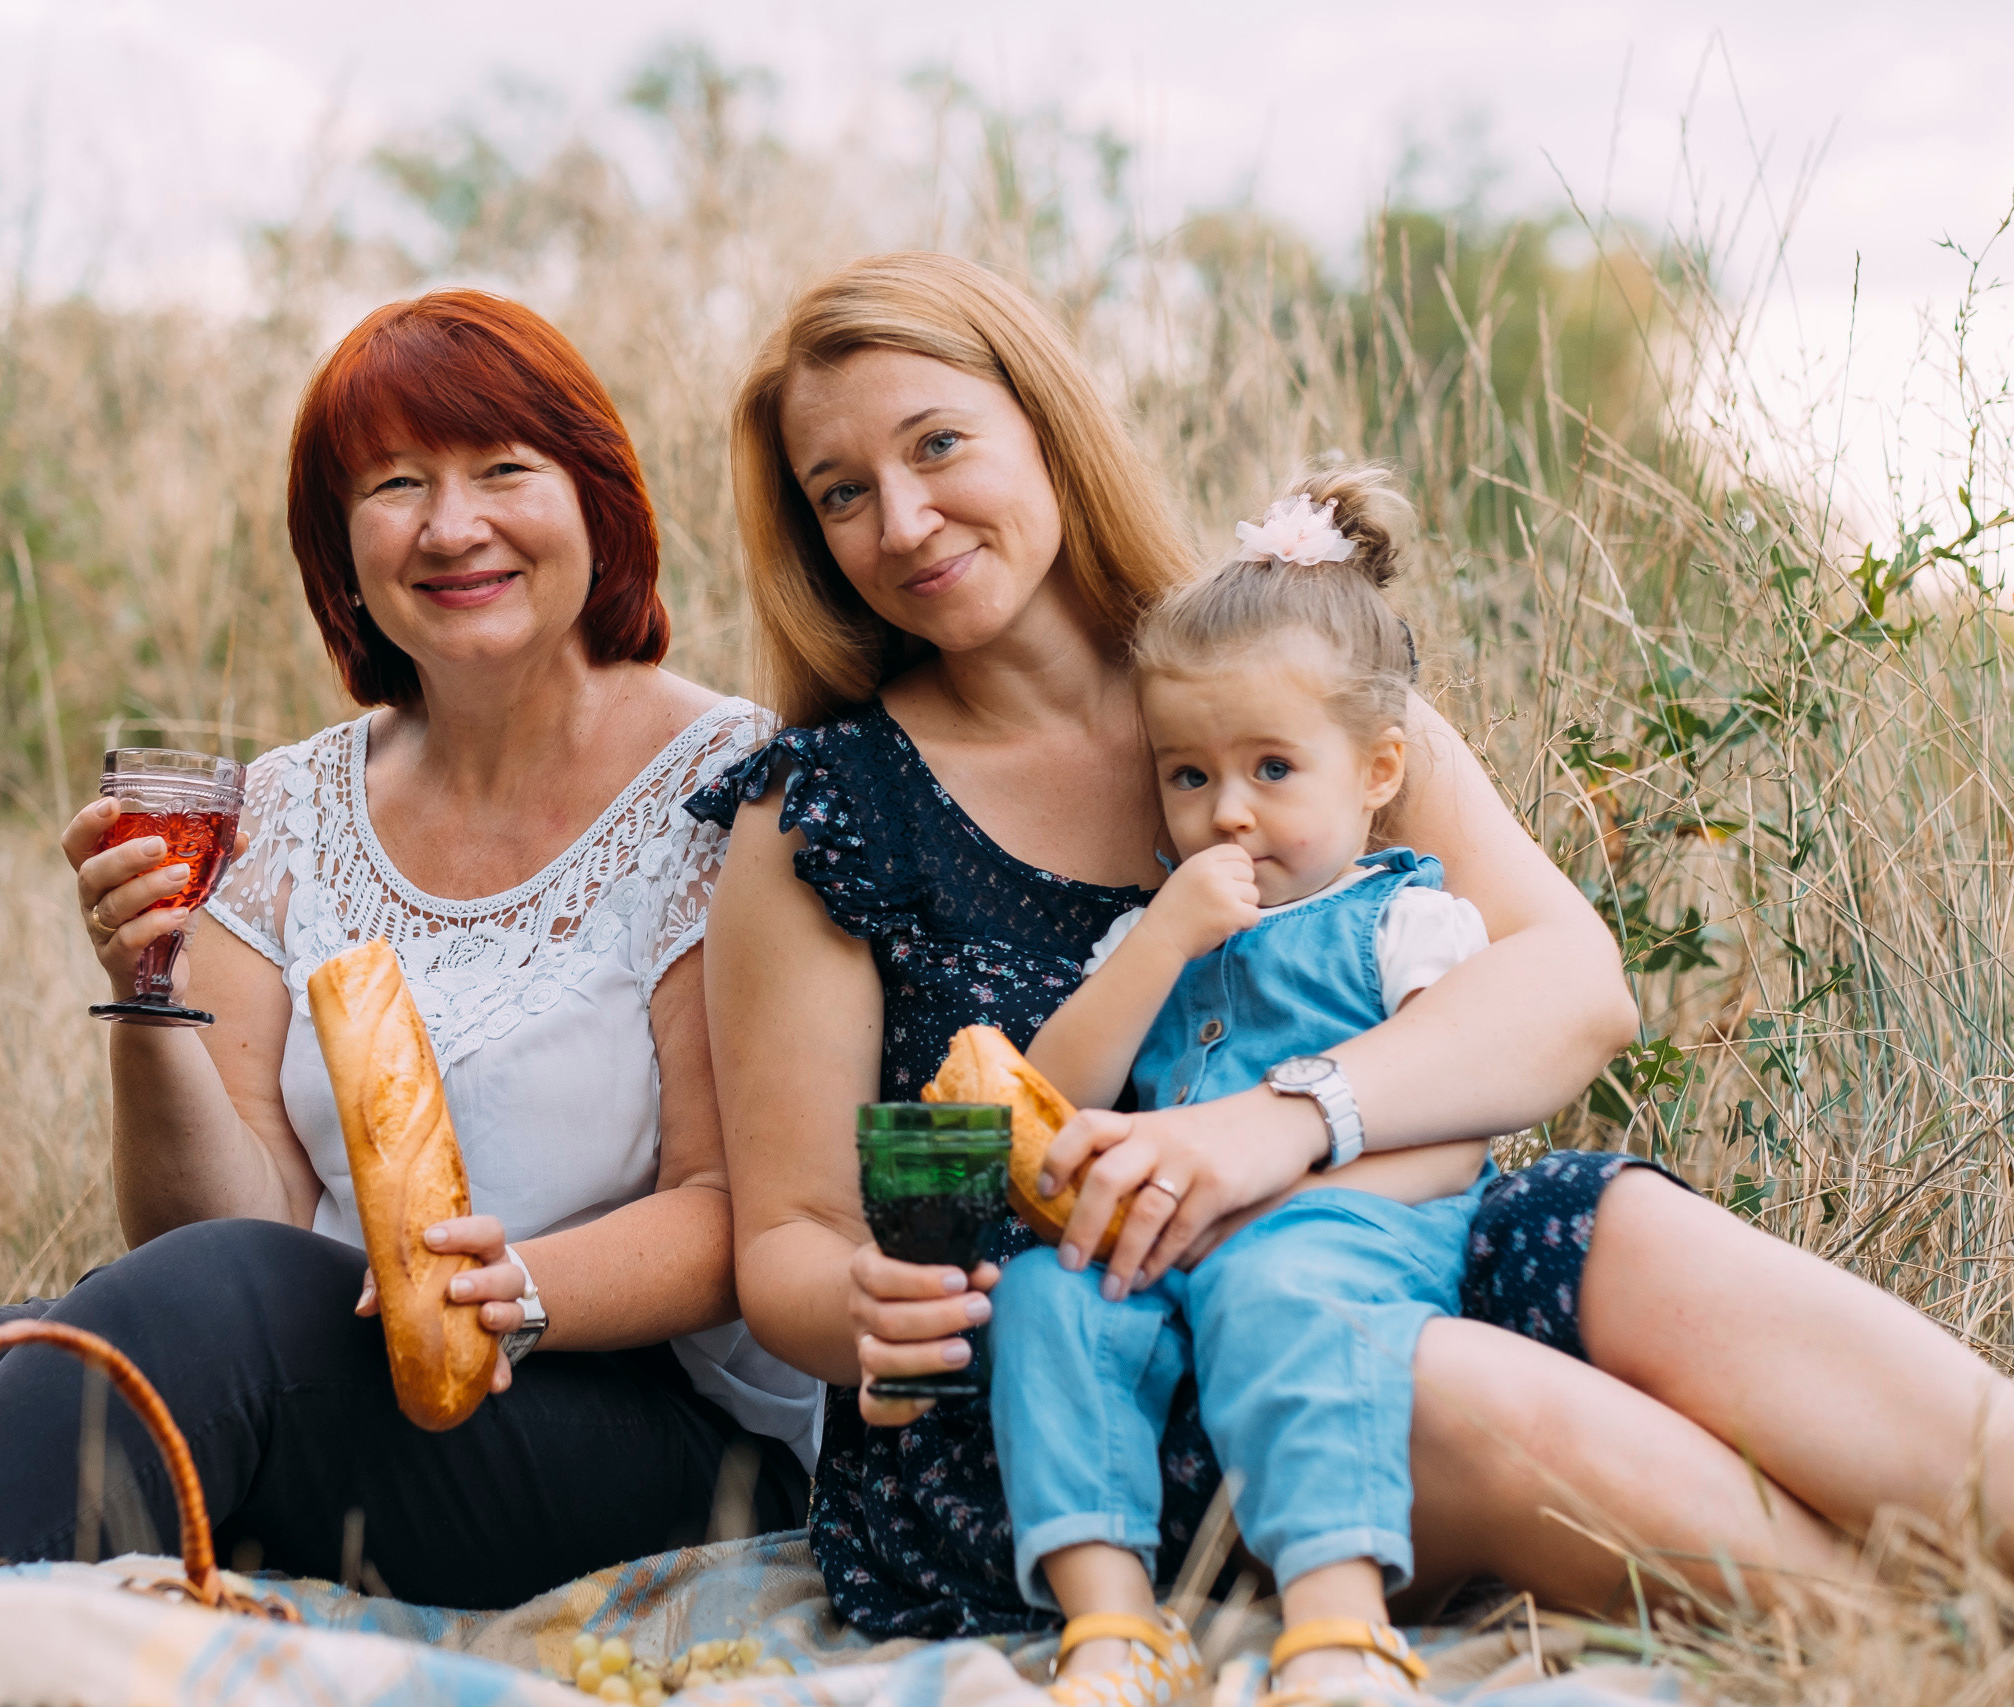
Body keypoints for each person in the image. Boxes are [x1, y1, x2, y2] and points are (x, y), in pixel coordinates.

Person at [690, 251, 2014, 1685]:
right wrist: (872, 1298)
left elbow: (1574, 983)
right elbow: (800, 1235)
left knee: (1628, 1233)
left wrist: (1280, 1125)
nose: (902, 517)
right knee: (1424, 1377)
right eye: (840, 491)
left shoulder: (1273, 664)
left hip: (1377, 1229)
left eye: (937, 443)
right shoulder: (823, 810)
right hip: (1081, 1376)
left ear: (1044, 423)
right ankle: (1934, 1658)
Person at [0, 288, 817, 1608]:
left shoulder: (732, 784)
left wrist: (500, 1292)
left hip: (661, 1441)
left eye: (504, 471)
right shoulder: (290, 806)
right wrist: (151, 993)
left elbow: (733, 1210)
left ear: (599, 500)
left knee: (198, 1308)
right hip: (341, 1364)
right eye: (397, 483)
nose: (452, 523)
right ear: (339, 548)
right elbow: (217, 1229)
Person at [991, 465, 1501, 1707]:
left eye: (1273, 769)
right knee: (1043, 1298)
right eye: (1188, 777)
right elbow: (1046, 1096)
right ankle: (1109, 1628)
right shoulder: (1156, 932)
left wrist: (1306, 1193)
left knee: (1286, 1293)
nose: (1227, 813)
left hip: (1345, 1230)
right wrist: (1161, 940)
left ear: (1376, 769)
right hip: (1165, 1237)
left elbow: (1461, 1123)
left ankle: (1338, 1622)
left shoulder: (1406, 924)